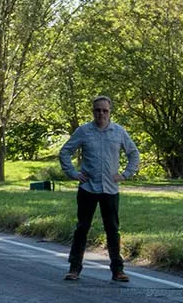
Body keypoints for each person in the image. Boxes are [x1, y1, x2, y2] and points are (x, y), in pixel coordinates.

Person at [59, 95, 141, 282]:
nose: (101, 114)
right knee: (82, 228)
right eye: (98, 110)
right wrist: (72, 173)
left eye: (105, 110)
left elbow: (133, 154)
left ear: (110, 112)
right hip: (88, 187)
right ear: (93, 111)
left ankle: (117, 270)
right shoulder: (84, 131)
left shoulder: (118, 132)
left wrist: (125, 174)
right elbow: (65, 151)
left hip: (110, 189)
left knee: (112, 229)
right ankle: (74, 268)